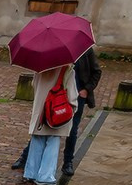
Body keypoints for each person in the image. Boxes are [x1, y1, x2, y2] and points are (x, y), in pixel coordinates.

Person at [10, 48, 101, 177]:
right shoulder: (54, 49)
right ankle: (25, 157)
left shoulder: (85, 50)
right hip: (53, 96)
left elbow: (96, 72)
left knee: (72, 130)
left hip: (75, 96)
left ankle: (67, 162)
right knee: (42, 126)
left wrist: (86, 89)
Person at [21, 62, 79, 185]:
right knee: (53, 142)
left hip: (41, 110)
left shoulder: (40, 69)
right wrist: (73, 108)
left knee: (37, 140)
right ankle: (46, 176)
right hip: (56, 111)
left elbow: (34, 85)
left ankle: (30, 173)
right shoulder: (68, 70)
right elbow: (72, 95)